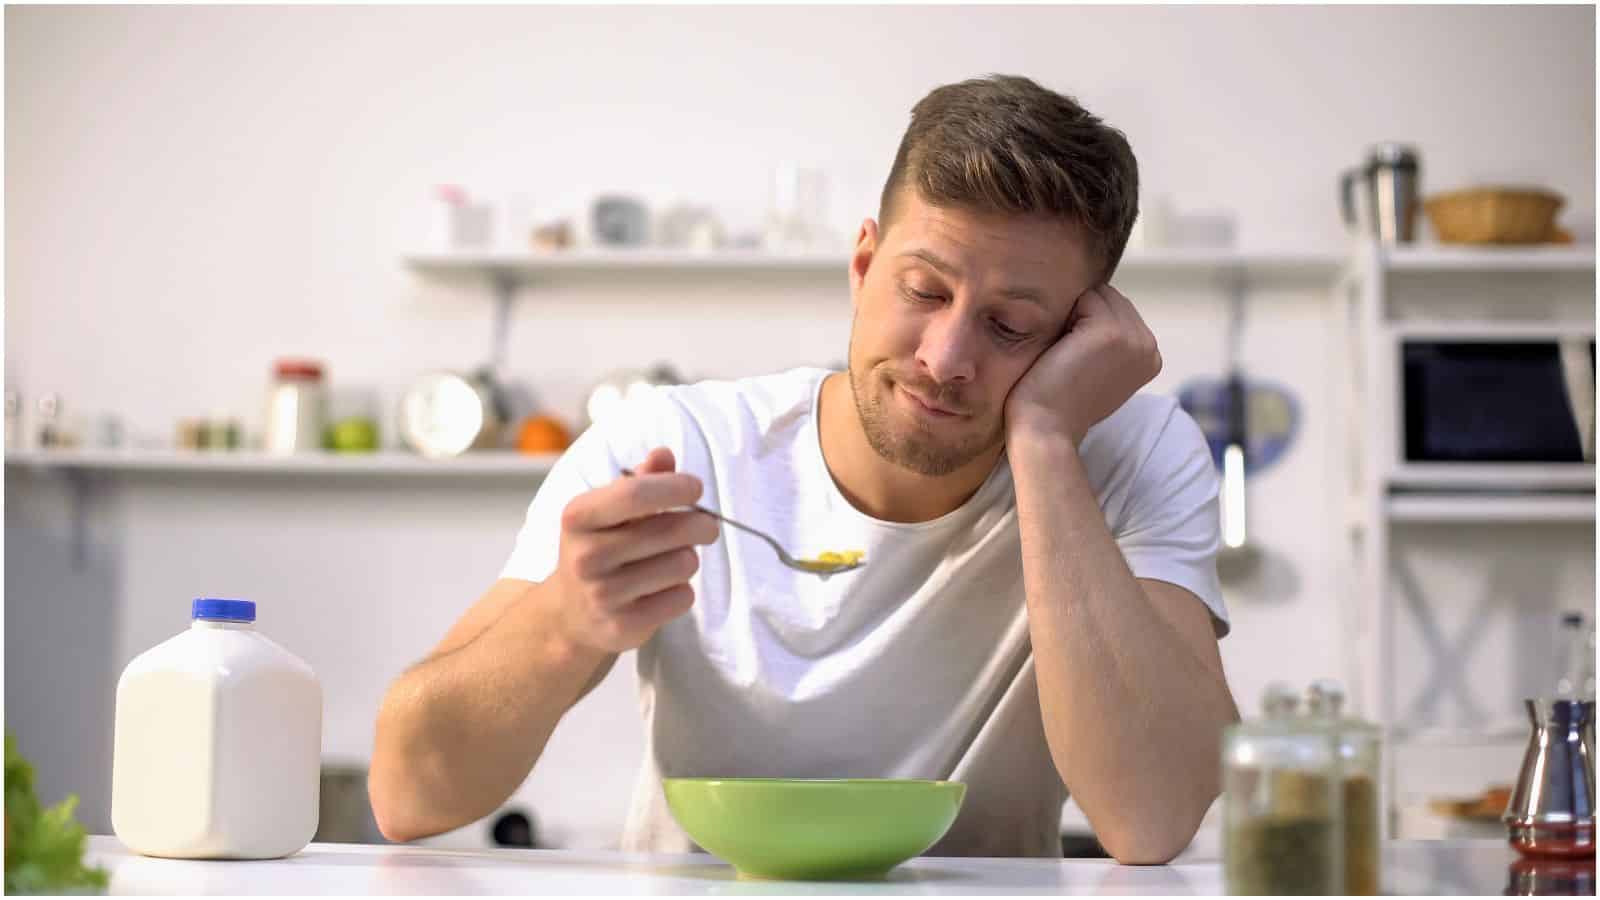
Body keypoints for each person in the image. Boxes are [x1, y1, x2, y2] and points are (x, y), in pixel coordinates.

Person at [370, 73, 1240, 865]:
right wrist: (565, 621)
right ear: (863, 267)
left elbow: (1153, 820)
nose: (944, 357)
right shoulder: (677, 446)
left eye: (1011, 325)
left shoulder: (1129, 454)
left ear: (1077, 338)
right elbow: (407, 796)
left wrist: (1046, 439)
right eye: (924, 291)